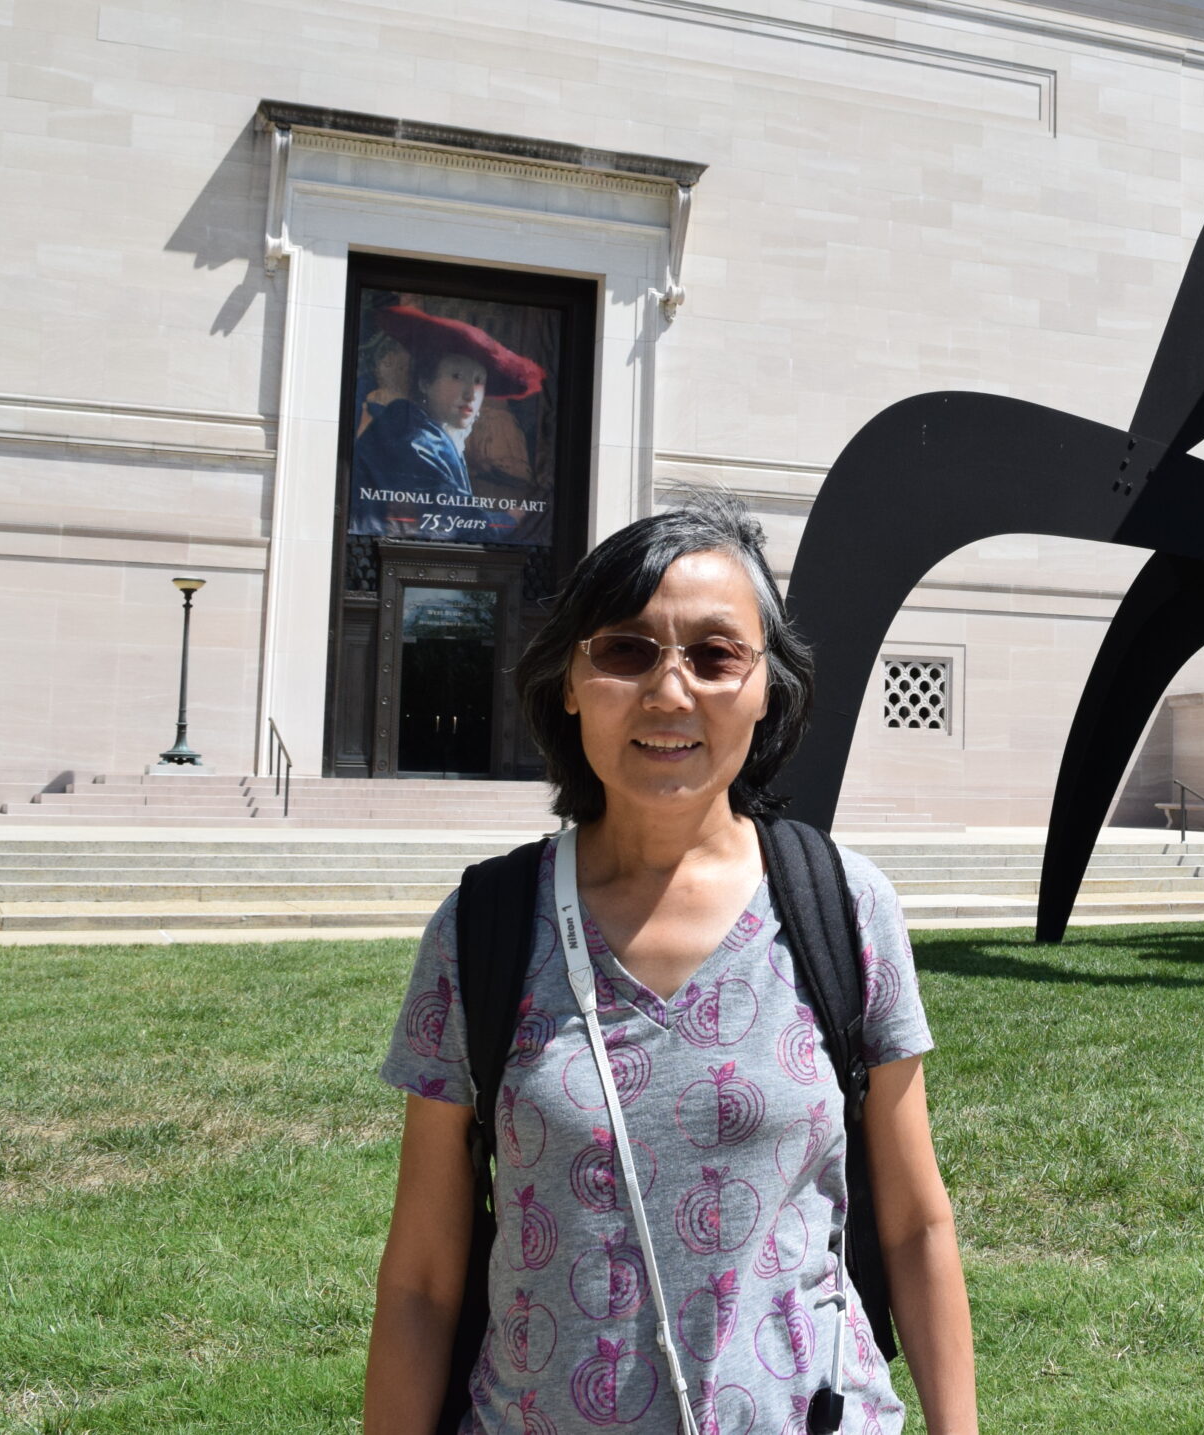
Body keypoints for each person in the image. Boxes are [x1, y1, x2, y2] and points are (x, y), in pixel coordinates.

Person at [363, 497, 977, 1434]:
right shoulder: (482, 929)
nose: (670, 691)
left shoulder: (847, 908)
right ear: (571, 681)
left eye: (715, 655)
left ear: (767, 686)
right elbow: (421, 1278)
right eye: (626, 650)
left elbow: (915, 1224)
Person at [351, 304, 547, 537]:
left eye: (478, 381)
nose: (470, 394)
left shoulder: (432, 433)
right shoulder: (413, 438)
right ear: (425, 382)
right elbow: (450, 522)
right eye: (457, 376)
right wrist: (510, 519)